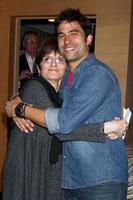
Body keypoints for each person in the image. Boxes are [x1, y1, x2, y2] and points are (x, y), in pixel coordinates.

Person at [5, 9, 128, 200]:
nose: (67, 41)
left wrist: (21, 109)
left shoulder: (97, 74)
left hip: (100, 180)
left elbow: (63, 123)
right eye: (61, 35)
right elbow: (42, 102)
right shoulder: (65, 83)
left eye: (74, 34)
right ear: (38, 66)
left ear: (88, 39)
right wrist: (15, 105)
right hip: (69, 180)